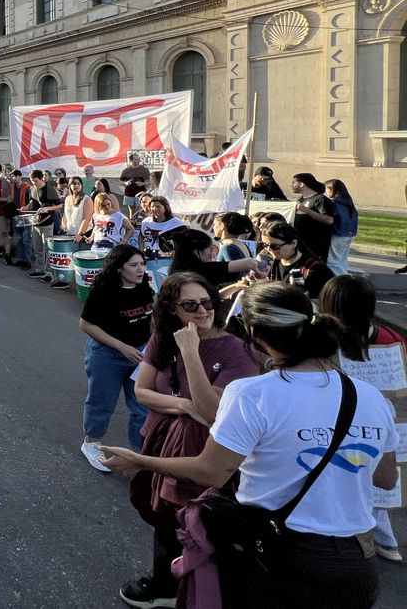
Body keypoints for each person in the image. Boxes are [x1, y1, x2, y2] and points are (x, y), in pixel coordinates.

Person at [103, 282, 398, 609]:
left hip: (278, 555)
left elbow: (210, 471)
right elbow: (385, 477)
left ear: (254, 332)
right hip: (356, 562)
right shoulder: (370, 396)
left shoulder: (252, 394)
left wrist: (141, 461)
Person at [107, 271, 261, 609]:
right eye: (190, 305)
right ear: (172, 309)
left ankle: (199, 592)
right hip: (160, 441)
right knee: (163, 520)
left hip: (208, 455)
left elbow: (213, 414)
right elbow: (142, 392)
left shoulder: (237, 351)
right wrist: (184, 405)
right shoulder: (164, 339)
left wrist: (191, 353)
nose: (202, 311)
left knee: (199, 525)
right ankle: (165, 584)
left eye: (207, 302)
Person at [317, 275, 407, 564]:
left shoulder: (321, 341)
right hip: (386, 428)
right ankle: (384, 539)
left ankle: (364, 539)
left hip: (333, 428)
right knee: (378, 484)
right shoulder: (392, 340)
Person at [78, 245, 153, 472]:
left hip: (140, 355)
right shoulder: (103, 290)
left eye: (142, 264)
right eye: (133, 265)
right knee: (102, 402)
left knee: (142, 407)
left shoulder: (144, 287)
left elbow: (149, 317)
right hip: (107, 355)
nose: (140, 269)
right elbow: (86, 324)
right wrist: (121, 347)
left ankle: (140, 455)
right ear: (119, 268)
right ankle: (91, 443)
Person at [259, 221, 334, 300]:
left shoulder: (316, 269)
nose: (269, 250)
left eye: (275, 246)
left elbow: (324, 303)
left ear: (294, 243)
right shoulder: (277, 261)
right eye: (265, 245)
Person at [168, 227, 258, 292]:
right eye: (210, 249)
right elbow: (249, 262)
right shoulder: (204, 270)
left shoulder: (175, 270)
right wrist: (259, 270)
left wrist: (235, 286)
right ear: (196, 252)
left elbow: (216, 297)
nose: (213, 254)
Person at [290, 172, 335, 263]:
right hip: (301, 243)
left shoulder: (320, 199)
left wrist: (306, 210)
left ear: (301, 184)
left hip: (316, 244)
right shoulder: (300, 199)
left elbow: (329, 220)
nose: (291, 185)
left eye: (293, 182)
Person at [323, 178, 358, 275]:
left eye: (326, 189)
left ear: (331, 189)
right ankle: (343, 275)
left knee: (332, 259)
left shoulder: (333, 202)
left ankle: (338, 280)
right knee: (342, 259)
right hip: (349, 233)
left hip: (337, 233)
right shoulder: (347, 201)